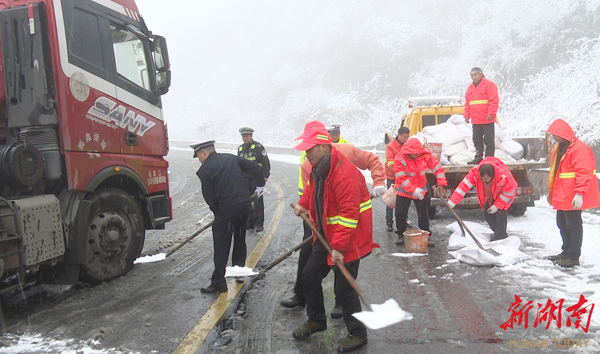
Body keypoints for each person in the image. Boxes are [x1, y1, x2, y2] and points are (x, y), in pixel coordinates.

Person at [281, 124, 385, 320]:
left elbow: (348, 215)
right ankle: (316, 319)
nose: (306, 152)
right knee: (309, 274)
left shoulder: (345, 170)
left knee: (344, 286)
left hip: (349, 235)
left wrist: (379, 182)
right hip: (325, 231)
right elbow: (312, 190)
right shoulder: (313, 164)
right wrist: (303, 205)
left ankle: (356, 330)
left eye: (310, 147)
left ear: (323, 145)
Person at [192, 140, 265, 293]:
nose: (199, 159)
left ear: (204, 153)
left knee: (221, 244)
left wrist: (218, 213)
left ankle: (219, 282)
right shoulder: (231, 158)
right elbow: (256, 167)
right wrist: (259, 187)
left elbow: (210, 197)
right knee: (239, 237)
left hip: (227, 207)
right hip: (244, 204)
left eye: (198, 156)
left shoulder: (204, 170)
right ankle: (238, 271)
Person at [545, 118, 598, 268]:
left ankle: (573, 256)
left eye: (555, 134)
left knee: (573, 226)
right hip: (563, 195)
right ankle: (566, 252)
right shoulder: (560, 147)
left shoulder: (578, 149)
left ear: (562, 134)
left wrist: (580, 193)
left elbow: (584, 172)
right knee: (562, 224)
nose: (553, 137)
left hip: (572, 195)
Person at [446, 157, 517, 241]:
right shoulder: (475, 173)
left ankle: (501, 236)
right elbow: (463, 187)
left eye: (486, 179)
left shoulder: (504, 176)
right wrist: (453, 201)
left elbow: (509, 191)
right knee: (487, 214)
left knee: (500, 214)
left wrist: (496, 206)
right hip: (491, 195)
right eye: (481, 179)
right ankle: (498, 232)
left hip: (503, 196)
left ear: (492, 175)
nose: (483, 181)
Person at [394, 138, 447, 246]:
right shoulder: (400, 158)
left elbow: (437, 167)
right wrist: (413, 190)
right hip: (403, 190)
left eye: (417, 153)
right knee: (401, 214)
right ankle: (401, 235)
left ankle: (425, 235)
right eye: (414, 154)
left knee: (423, 214)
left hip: (421, 189)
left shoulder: (425, 155)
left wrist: (441, 182)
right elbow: (401, 178)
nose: (416, 155)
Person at [238, 127, 271, 232]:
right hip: (244, 180)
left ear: (251, 136)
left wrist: (265, 176)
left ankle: (258, 224)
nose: (245, 138)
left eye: (246, 136)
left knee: (257, 202)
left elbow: (265, 162)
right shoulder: (240, 149)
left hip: (256, 179)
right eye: (243, 136)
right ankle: (250, 222)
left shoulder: (258, 147)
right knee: (247, 201)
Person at [464, 67, 499, 165]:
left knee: (489, 140)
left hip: (487, 119)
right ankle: (478, 157)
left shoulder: (489, 85)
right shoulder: (470, 88)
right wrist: (466, 115)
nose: (473, 77)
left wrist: (491, 113)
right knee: (476, 139)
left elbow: (494, 100)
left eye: (475, 75)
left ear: (481, 74)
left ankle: (489, 158)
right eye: (472, 75)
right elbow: (468, 103)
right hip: (476, 120)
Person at [385, 126, 411, 232]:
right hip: (393, 177)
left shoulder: (408, 145)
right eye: (404, 137)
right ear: (399, 135)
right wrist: (400, 173)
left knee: (404, 200)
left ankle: (404, 220)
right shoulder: (390, 146)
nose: (406, 139)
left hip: (404, 177)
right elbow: (390, 162)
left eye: (407, 137)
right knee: (392, 200)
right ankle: (389, 221)